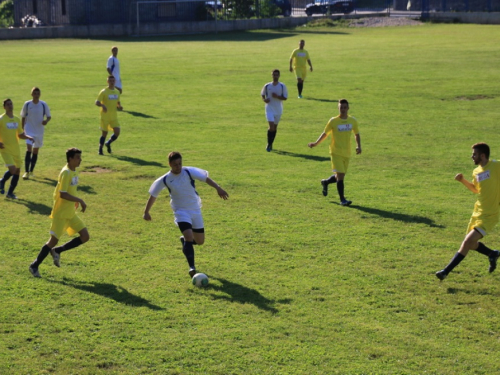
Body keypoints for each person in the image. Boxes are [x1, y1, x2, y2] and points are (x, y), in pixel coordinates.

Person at [143, 151, 229, 278]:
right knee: (189, 235)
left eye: (180, 163)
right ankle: (192, 267)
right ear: (169, 164)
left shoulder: (188, 172)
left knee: (200, 241)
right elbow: (153, 195)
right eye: (175, 165)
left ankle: (185, 242)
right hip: (181, 211)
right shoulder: (165, 179)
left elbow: (206, 179)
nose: (178, 167)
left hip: (195, 209)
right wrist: (146, 212)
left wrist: (218, 188)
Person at [436, 143, 500, 281]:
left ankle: (445, 272)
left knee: (467, 242)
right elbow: (476, 190)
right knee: (470, 244)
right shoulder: (476, 172)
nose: (472, 156)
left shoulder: (496, 166)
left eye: (474, 154)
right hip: (477, 211)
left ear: (482, 155)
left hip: (490, 214)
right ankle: (492, 253)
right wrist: (462, 180)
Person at [29, 148, 90, 278]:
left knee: (85, 236)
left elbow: (70, 190)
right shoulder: (66, 172)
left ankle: (57, 251)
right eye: (78, 157)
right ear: (70, 159)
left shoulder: (74, 172)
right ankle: (34, 265)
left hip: (70, 212)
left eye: (80, 157)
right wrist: (79, 200)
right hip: (61, 213)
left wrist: (74, 201)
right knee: (52, 241)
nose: (80, 160)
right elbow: (62, 194)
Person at [308, 99, 361, 206]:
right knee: (340, 175)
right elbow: (325, 133)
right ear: (338, 108)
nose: (343, 109)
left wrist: (358, 146)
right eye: (341, 107)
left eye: (345, 107)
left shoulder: (352, 121)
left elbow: (356, 134)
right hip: (335, 152)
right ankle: (342, 200)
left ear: (348, 108)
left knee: (339, 176)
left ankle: (326, 182)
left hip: (347, 152)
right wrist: (316, 143)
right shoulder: (333, 121)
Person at [0, 99, 34, 199]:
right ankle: (2, 181)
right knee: (13, 169)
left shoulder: (16, 120)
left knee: (17, 171)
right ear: (4, 107)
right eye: (8, 104)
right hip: (5, 149)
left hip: (16, 149)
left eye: (11, 104)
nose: (10, 106)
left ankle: (10, 193)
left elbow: (20, 134)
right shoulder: (2, 119)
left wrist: (28, 137)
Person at [20, 87, 52, 180]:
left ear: (40, 94)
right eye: (34, 93)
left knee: (35, 151)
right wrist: (22, 129)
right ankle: (26, 172)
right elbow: (23, 116)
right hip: (29, 130)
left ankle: (31, 170)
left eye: (38, 93)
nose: (36, 95)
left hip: (39, 131)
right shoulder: (27, 104)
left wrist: (46, 121)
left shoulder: (43, 104)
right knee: (29, 149)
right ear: (31, 94)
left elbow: (49, 116)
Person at [261, 69, 288, 152]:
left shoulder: (282, 86)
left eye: (276, 75)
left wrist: (277, 96)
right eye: (273, 74)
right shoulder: (267, 86)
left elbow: (285, 98)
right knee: (271, 127)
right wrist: (264, 100)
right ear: (271, 75)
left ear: (279, 76)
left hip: (278, 109)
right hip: (269, 109)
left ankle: (271, 143)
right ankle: (269, 144)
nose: (275, 76)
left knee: (274, 128)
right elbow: (262, 94)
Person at [95, 75, 121, 155]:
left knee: (117, 132)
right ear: (107, 82)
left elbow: (118, 102)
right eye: (110, 81)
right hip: (105, 116)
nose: (112, 82)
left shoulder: (117, 92)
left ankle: (108, 143)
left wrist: (119, 106)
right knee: (104, 133)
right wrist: (102, 105)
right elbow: (97, 102)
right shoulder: (104, 92)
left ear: (115, 81)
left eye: (113, 81)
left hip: (113, 116)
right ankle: (100, 149)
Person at [106, 46, 123, 110]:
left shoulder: (116, 59)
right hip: (114, 78)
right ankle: (117, 105)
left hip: (117, 77)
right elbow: (108, 68)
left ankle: (115, 104)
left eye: (116, 50)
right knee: (117, 91)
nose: (116, 51)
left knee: (119, 91)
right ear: (112, 51)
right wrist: (112, 77)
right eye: (114, 50)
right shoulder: (111, 59)